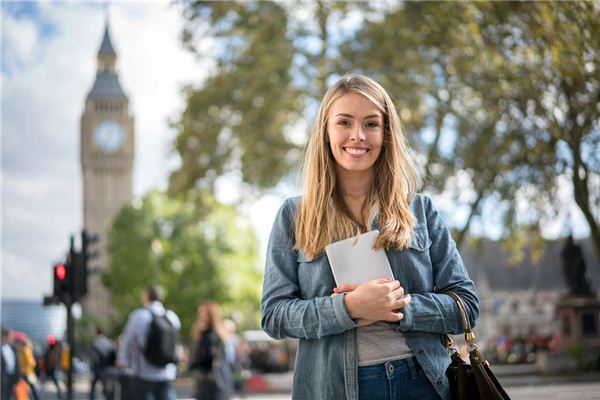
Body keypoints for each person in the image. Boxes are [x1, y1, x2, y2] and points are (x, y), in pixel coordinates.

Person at [261, 73, 479, 400]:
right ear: (326, 131)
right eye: (344, 123)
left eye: (371, 124)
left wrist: (399, 307)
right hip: (336, 389)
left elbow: (466, 306)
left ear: (386, 132)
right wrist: (348, 307)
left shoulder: (420, 210)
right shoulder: (294, 216)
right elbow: (275, 315)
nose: (358, 136)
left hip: (422, 384)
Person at [117, 285, 181, 400]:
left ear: (146, 296)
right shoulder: (172, 316)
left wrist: (123, 360)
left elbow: (127, 341)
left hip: (144, 374)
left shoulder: (139, 315)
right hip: (167, 373)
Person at [188, 302, 235, 400]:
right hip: (221, 380)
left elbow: (207, 357)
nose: (200, 316)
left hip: (211, 382)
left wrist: (192, 365)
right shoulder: (220, 334)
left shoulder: (209, 335)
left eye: (202, 313)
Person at [90, 328, 116, 400]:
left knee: (93, 386)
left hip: (98, 368)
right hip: (107, 368)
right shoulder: (109, 342)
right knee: (106, 387)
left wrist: (93, 367)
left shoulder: (95, 342)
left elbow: (94, 357)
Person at [14, 336, 39, 400]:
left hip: (26, 373)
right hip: (24, 372)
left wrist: (26, 369)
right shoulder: (22, 350)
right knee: (26, 388)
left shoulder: (25, 350)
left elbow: (31, 362)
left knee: (30, 388)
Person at [41, 335, 63, 400]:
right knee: (46, 385)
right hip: (50, 370)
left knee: (44, 385)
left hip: (49, 370)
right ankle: (60, 397)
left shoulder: (49, 350)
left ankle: (39, 396)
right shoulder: (52, 350)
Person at [1, 327, 20, 400]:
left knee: (11, 396)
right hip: (3, 378)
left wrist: (17, 378)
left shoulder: (12, 348)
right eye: (10, 336)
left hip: (12, 378)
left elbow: (16, 364)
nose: (12, 338)